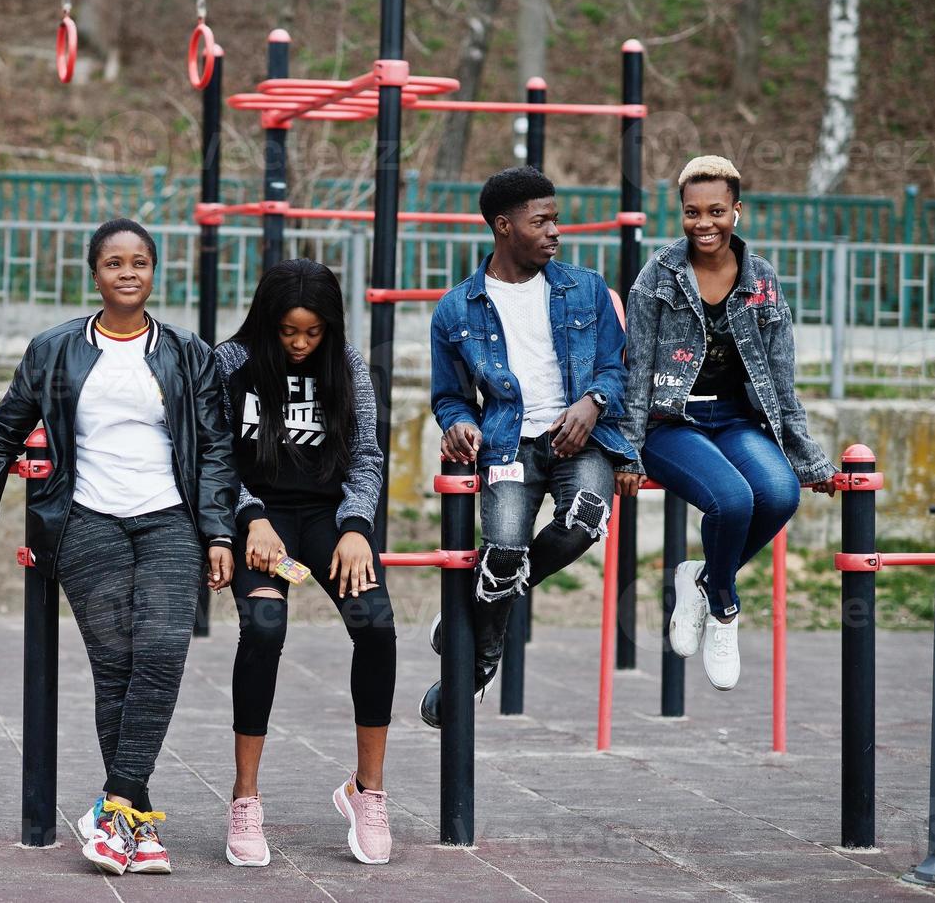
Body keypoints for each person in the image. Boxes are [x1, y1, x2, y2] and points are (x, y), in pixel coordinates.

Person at [0, 218, 236, 877]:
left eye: (139, 261)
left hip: (170, 519)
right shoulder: (54, 350)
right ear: (96, 273)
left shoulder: (186, 352)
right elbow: (0, 435)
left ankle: (115, 808)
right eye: (114, 263)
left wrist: (219, 529)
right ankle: (131, 822)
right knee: (115, 667)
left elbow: (216, 450)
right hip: (86, 520)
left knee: (161, 653)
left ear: (153, 270)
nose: (128, 272)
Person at [423, 165, 636, 723]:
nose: (554, 232)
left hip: (580, 439)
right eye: (540, 221)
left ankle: (468, 628)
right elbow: (449, 397)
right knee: (505, 553)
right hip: (506, 445)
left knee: (587, 519)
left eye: (555, 221)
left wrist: (591, 403)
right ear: (503, 226)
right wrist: (458, 423)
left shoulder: (586, 288)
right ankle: (478, 660)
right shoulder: (455, 310)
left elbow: (616, 370)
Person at [619, 156, 835, 691]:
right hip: (671, 423)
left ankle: (702, 577)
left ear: (737, 211)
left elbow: (781, 378)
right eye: (692, 212)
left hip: (738, 420)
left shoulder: (761, 280)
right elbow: (635, 369)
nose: (704, 223)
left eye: (716, 210)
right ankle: (724, 608)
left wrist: (807, 456)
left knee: (781, 493)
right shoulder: (659, 276)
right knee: (733, 500)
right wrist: (626, 450)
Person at [215, 259, 395, 868]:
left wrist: (356, 528)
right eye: (288, 332)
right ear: (267, 323)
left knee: (376, 624)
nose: (299, 344)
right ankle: (245, 800)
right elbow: (212, 458)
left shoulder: (346, 369)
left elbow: (368, 457)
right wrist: (250, 520)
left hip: (328, 519)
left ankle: (367, 792)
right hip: (260, 520)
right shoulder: (230, 365)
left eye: (312, 332)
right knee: (264, 629)